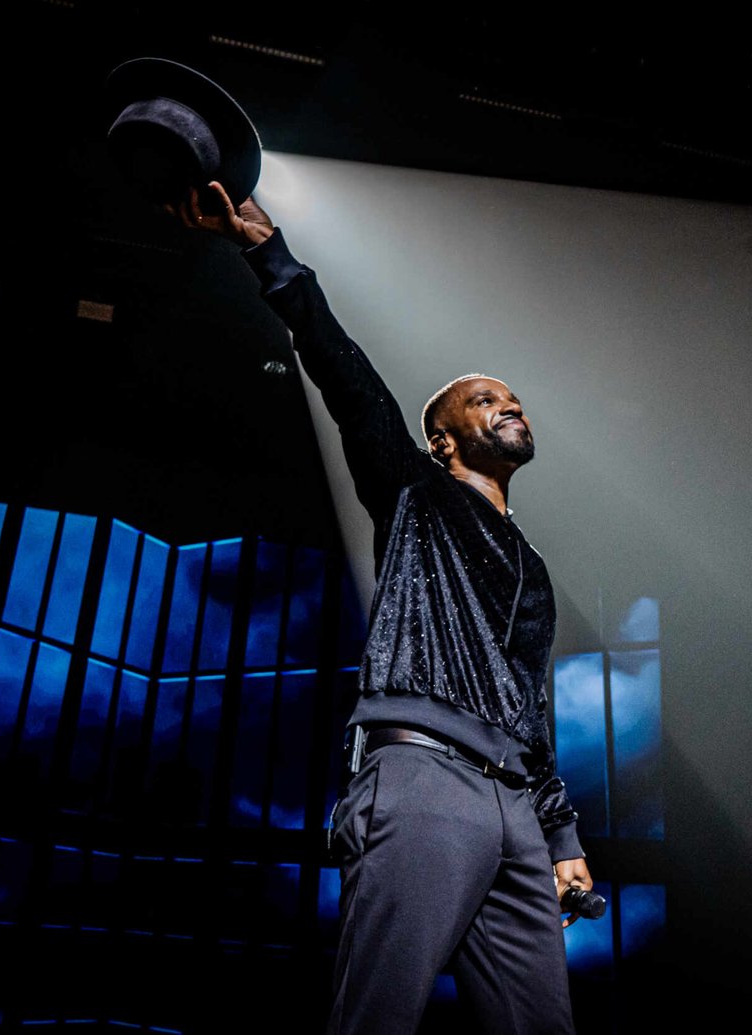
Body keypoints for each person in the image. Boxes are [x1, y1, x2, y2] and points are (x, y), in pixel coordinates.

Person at [168, 181, 591, 1034]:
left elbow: (529, 704)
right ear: (442, 438)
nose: (510, 405)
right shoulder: (413, 494)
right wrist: (270, 254)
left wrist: (562, 838)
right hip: (423, 777)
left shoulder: (534, 570)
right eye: (486, 399)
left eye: (514, 398)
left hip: (515, 806)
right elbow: (347, 378)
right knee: (377, 1018)